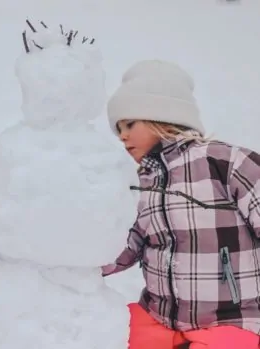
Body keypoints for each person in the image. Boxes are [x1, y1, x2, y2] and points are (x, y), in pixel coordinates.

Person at [102, 60, 260, 349]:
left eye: (129, 124)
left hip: (232, 319)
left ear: (159, 116)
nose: (122, 136)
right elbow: (122, 248)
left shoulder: (226, 163)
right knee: (98, 331)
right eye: (118, 129)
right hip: (158, 317)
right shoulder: (139, 183)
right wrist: (72, 257)